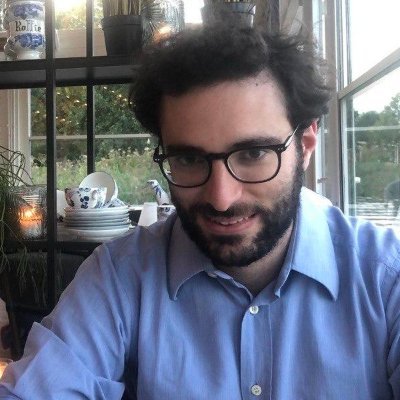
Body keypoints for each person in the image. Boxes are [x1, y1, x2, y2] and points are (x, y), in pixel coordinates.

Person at [0, 25, 400, 400]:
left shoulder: (385, 279)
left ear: (306, 144)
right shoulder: (120, 276)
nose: (221, 198)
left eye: (253, 153)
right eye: (189, 159)